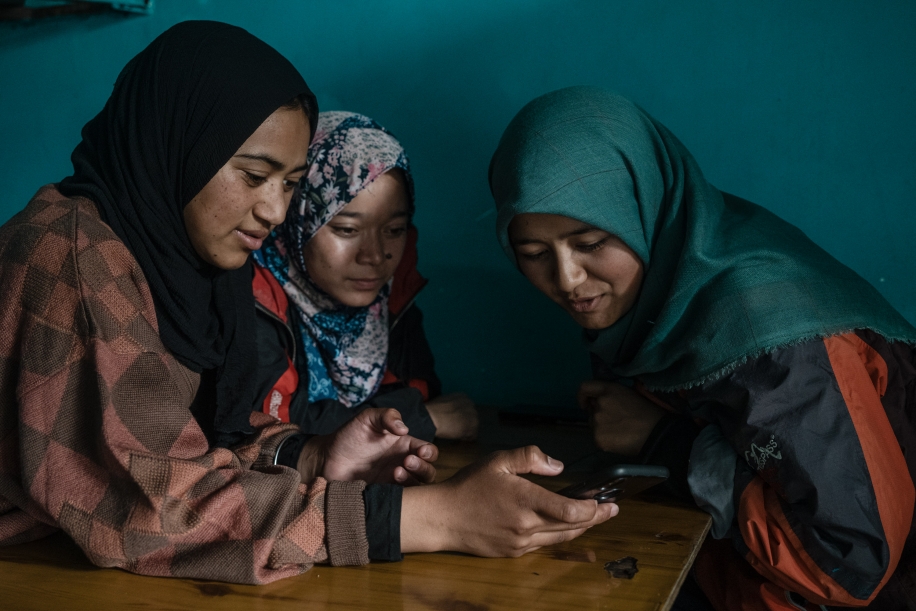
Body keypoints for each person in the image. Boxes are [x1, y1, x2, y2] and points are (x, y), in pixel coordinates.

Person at [0, 24, 615, 584]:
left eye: (290, 184)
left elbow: (190, 434)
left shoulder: (189, 263)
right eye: (252, 174)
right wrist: (434, 518)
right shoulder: (72, 256)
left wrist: (312, 452)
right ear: (175, 139)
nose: (273, 211)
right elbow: (152, 506)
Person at [488, 86, 916, 610]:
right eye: (533, 253)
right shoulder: (660, 287)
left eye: (592, 243)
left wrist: (663, 441)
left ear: (644, 206)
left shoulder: (774, 340)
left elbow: (849, 565)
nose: (568, 279)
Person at [252, 111, 478, 442]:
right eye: (347, 229)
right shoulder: (255, 297)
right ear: (297, 219)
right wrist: (417, 419)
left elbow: (420, 386)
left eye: (394, 229)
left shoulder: (391, 295)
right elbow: (272, 427)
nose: (373, 256)